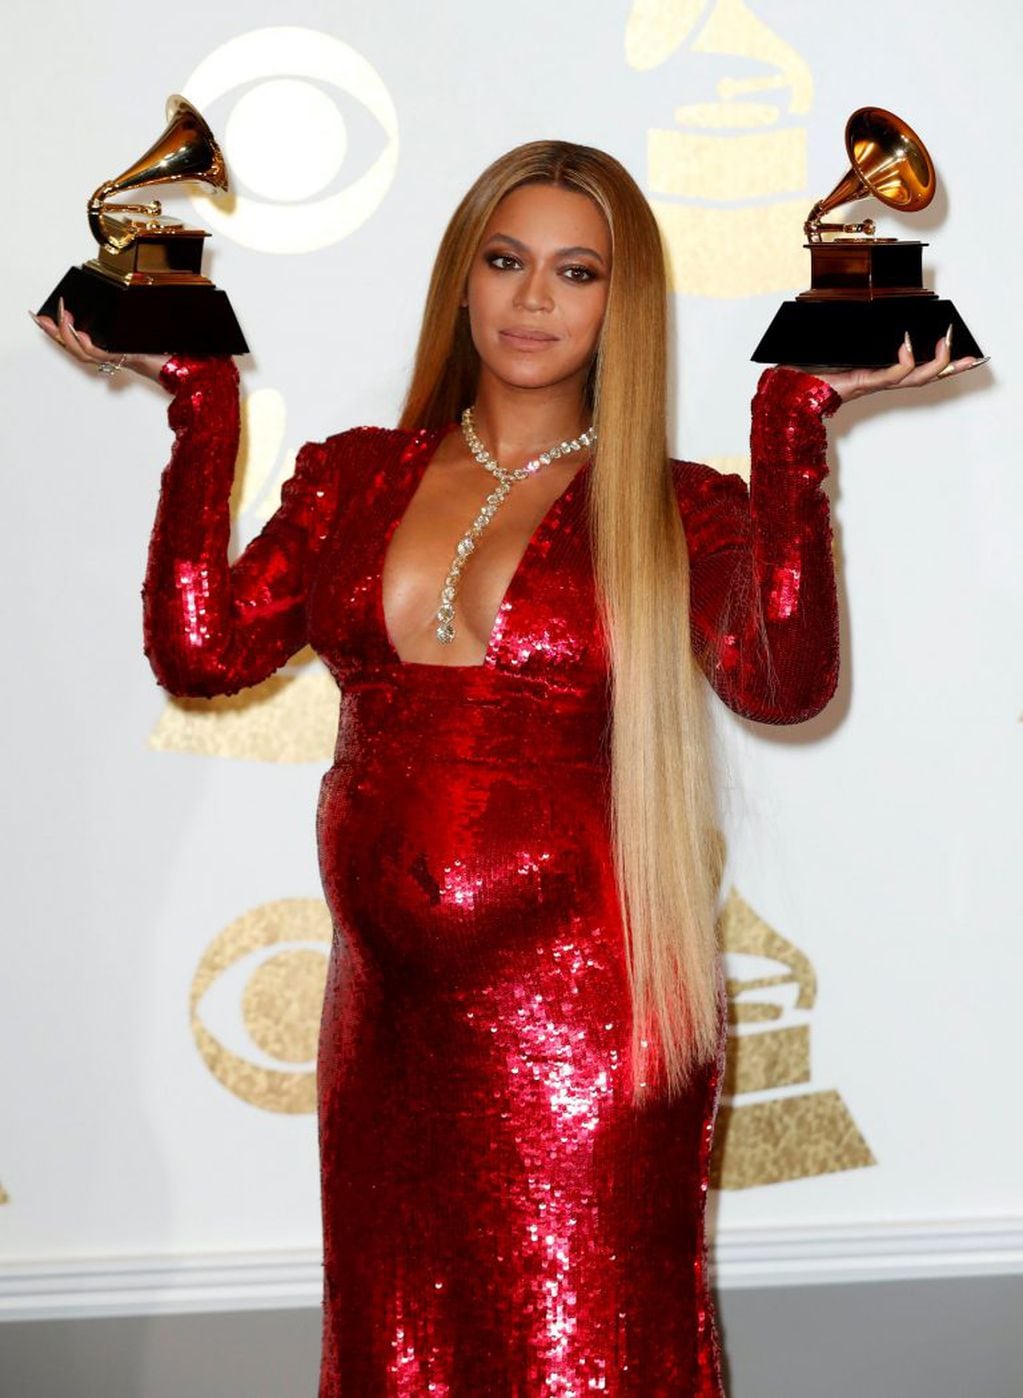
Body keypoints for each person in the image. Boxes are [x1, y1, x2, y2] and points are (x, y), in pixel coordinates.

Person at [34, 139, 983, 1396]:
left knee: (576, 1361)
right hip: (384, 1034)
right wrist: (200, 401)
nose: (535, 300)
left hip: (590, 1038)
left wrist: (794, 422)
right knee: (399, 1358)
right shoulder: (354, 477)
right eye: (506, 260)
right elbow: (203, 649)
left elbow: (784, 683)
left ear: (620, 303)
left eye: (577, 271)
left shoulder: (673, 505)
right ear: (463, 279)